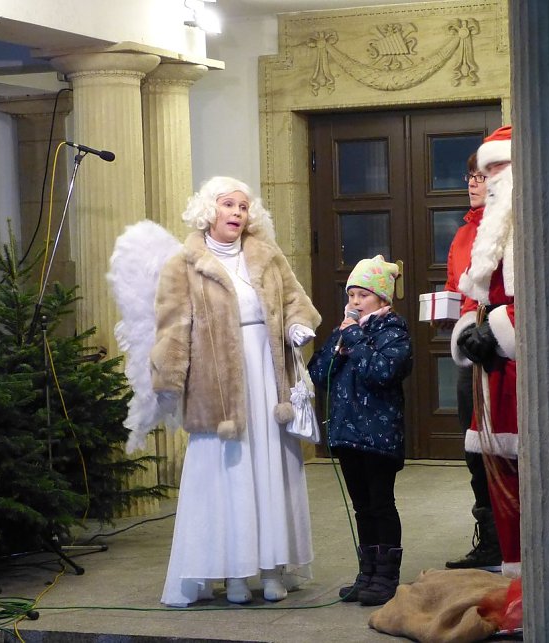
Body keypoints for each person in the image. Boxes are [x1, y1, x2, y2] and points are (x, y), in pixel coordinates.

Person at [151, 176, 322, 607]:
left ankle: (270, 569)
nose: (237, 214)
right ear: (210, 210)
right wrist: (168, 379)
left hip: (267, 376)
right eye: (229, 205)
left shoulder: (266, 254)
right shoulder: (184, 263)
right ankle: (232, 573)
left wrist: (299, 324)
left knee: (269, 469)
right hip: (217, 387)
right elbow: (172, 326)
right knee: (228, 476)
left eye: (243, 207)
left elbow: (294, 300)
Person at [308, 255, 413, 606]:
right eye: (350, 295)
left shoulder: (393, 331)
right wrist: (338, 341)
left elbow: (381, 372)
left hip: (379, 436)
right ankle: (366, 573)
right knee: (362, 507)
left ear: (382, 299)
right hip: (347, 434)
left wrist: (353, 337)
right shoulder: (347, 333)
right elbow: (318, 373)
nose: (354, 302)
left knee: (381, 504)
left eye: (362, 295)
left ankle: (386, 576)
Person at [450, 125, 521, 578]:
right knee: (493, 465)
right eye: (482, 170)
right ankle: (511, 567)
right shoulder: (481, 230)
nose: (487, 178)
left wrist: (498, 329)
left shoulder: (527, 218)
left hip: (523, 363)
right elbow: (476, 291)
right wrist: (469, 332)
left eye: (496, 168)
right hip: (489, 358)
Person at [444, 153, 503, 571]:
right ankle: (489, 539)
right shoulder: (463, 233)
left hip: (504, 343)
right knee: (474, 448)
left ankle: (516, 537)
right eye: (471, 176)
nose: (474, 183)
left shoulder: (508, 225)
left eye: (483, 176)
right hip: (470, 342)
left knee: (508, 445)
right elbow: (454, 289)